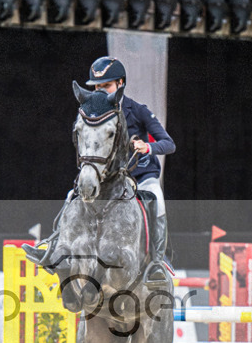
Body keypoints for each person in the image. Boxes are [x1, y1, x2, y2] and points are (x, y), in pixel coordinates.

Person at [24, 56, 176, 288]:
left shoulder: (138, 110)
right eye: (97, 86)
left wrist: (148, 147)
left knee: (157, 198)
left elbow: (169, 144)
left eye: (106, 85)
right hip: (110, 179)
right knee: (72, 196)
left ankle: (157, 261)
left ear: (120, 84)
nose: (100, 91)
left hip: (141, 176)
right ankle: (54, 246)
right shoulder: (91, 112)